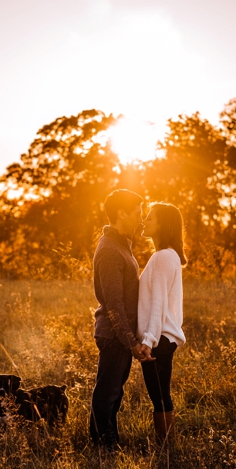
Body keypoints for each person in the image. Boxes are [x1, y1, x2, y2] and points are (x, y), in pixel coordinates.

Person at [90, 189, 153, 449]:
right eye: (137, 213)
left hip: (120, 335)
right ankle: (103, 445)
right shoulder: (110, 251)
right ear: (121, 213)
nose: (140, 219)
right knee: (108, 391)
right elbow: (114, 305)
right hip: (114, 334)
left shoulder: (120, 244)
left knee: (114, 391)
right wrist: (131, 342)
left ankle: (107, 441)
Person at [137, 203, 186, 443]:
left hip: (159, 340)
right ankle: (166, 446)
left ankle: (165, 447)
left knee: (160, 396)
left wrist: (148, 341)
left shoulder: (163, 256)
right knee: (159, 395)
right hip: (161, 338)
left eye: (150, 217)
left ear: (163, 224)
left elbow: (158, 302)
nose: (144, 220)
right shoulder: (167, 255)